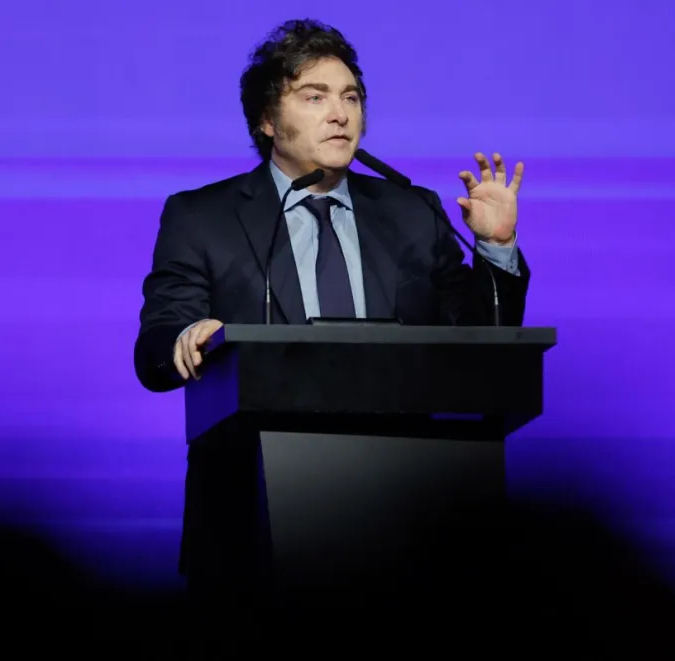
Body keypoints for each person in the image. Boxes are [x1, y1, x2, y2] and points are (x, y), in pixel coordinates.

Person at [132, 17, 532, 651]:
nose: (340, 114)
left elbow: (483, 344)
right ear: (267, 119)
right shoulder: (201, 216)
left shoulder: (412, 211)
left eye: (350, 97)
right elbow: (154, 349)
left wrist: (497, 249)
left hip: (410, 519)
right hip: (250, 523)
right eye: (314, 96)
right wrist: (187, 338)